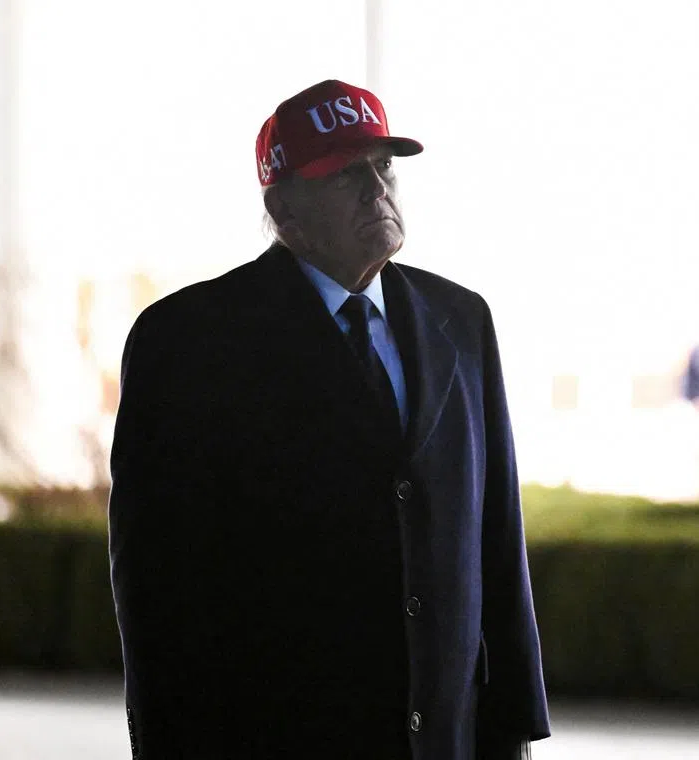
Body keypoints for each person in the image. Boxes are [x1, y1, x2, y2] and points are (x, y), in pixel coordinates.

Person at [108, 79, 550, 760]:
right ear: (285, 208)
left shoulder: (461, 321)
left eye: (384, 167)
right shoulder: (189, 342)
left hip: (448, 737)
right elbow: (157, 589)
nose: (377, 189)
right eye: (346, 174)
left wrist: (516, 725)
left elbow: (496, 540)